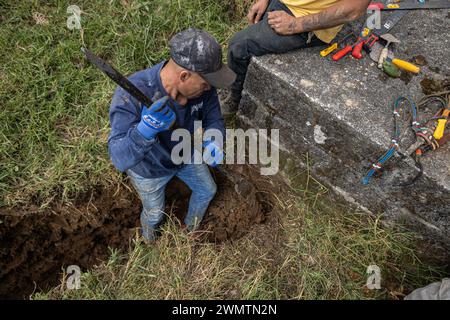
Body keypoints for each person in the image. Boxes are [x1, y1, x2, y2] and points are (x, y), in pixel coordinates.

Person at [108, 28, 236, 242]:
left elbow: (213, 118)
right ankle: (150, 240)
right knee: (156, 213)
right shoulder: (133, 94)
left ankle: (190, 230)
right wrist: (144, 131)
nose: (209, 89)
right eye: (206, 84)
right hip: (149, 170)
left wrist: (215, 139)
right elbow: (119, 158)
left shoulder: (205, 90)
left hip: (184, 154)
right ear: (184, 76)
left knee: (207, 190)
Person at [224, 0, 371, 114]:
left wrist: (296, 25)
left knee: (240, 46)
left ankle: (233, 100)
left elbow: (353, 10)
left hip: (306, 18)